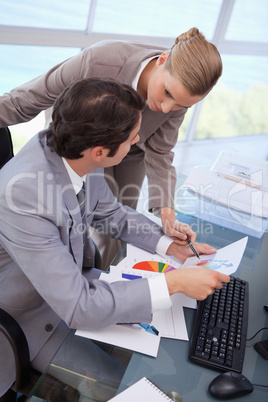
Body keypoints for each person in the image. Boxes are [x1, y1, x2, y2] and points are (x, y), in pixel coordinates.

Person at [0, 77, 229, 397]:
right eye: (132, 137)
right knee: (141, 390)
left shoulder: (73, 147)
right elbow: (79, 306)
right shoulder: (23, 196)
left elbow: (110, 213)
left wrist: (170, 246)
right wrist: (173, 283)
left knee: (173, 344)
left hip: (76, 284)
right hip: (33, 320)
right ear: (99, 152)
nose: (137, 140)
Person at [0, 27, 223, 268]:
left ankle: (100, 277)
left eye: (179, 104)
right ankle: (69, 273)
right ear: (162, 60)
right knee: (74, 214)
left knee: (119, 219)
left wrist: (167, 215)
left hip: (134, 148)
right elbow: (25, 100)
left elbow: (160, 152)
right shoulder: (99, 61)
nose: (167, 108)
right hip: (84, 142)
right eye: (167, 93)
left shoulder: (180, 95)